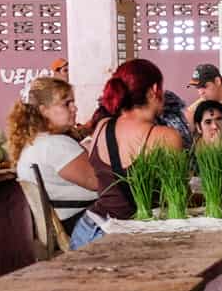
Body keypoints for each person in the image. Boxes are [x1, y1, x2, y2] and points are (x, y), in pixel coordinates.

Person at [70, 59, 186, 249]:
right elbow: (177, 196)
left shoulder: (102, 126)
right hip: (124, 240)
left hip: (88, 231)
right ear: (154, 90)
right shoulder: (166, 137)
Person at [6, 77, 99, 236]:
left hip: (69, 223)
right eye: (66, 104)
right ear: (43, 110)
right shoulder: (56, 145)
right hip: (82, 226)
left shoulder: (35, 143)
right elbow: (101, 183)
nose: (74, 108)